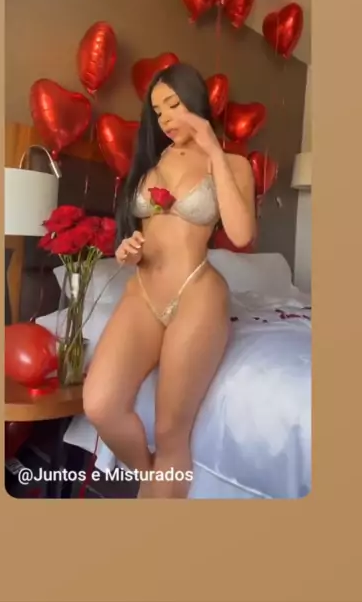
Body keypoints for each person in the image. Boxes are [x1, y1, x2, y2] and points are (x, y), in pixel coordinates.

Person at [83, 63, 256, 498]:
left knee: (169, 430)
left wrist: (213, 148)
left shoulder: (233, 164)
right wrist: (128, 251)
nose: (165, 119)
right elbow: (140, 235)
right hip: (143, 292)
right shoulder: (152, 162)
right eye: (157, 112)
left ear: (195, 101)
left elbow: (241, 234)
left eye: (173, 105)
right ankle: (153, 477)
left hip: (196, 293)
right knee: (100, 404)